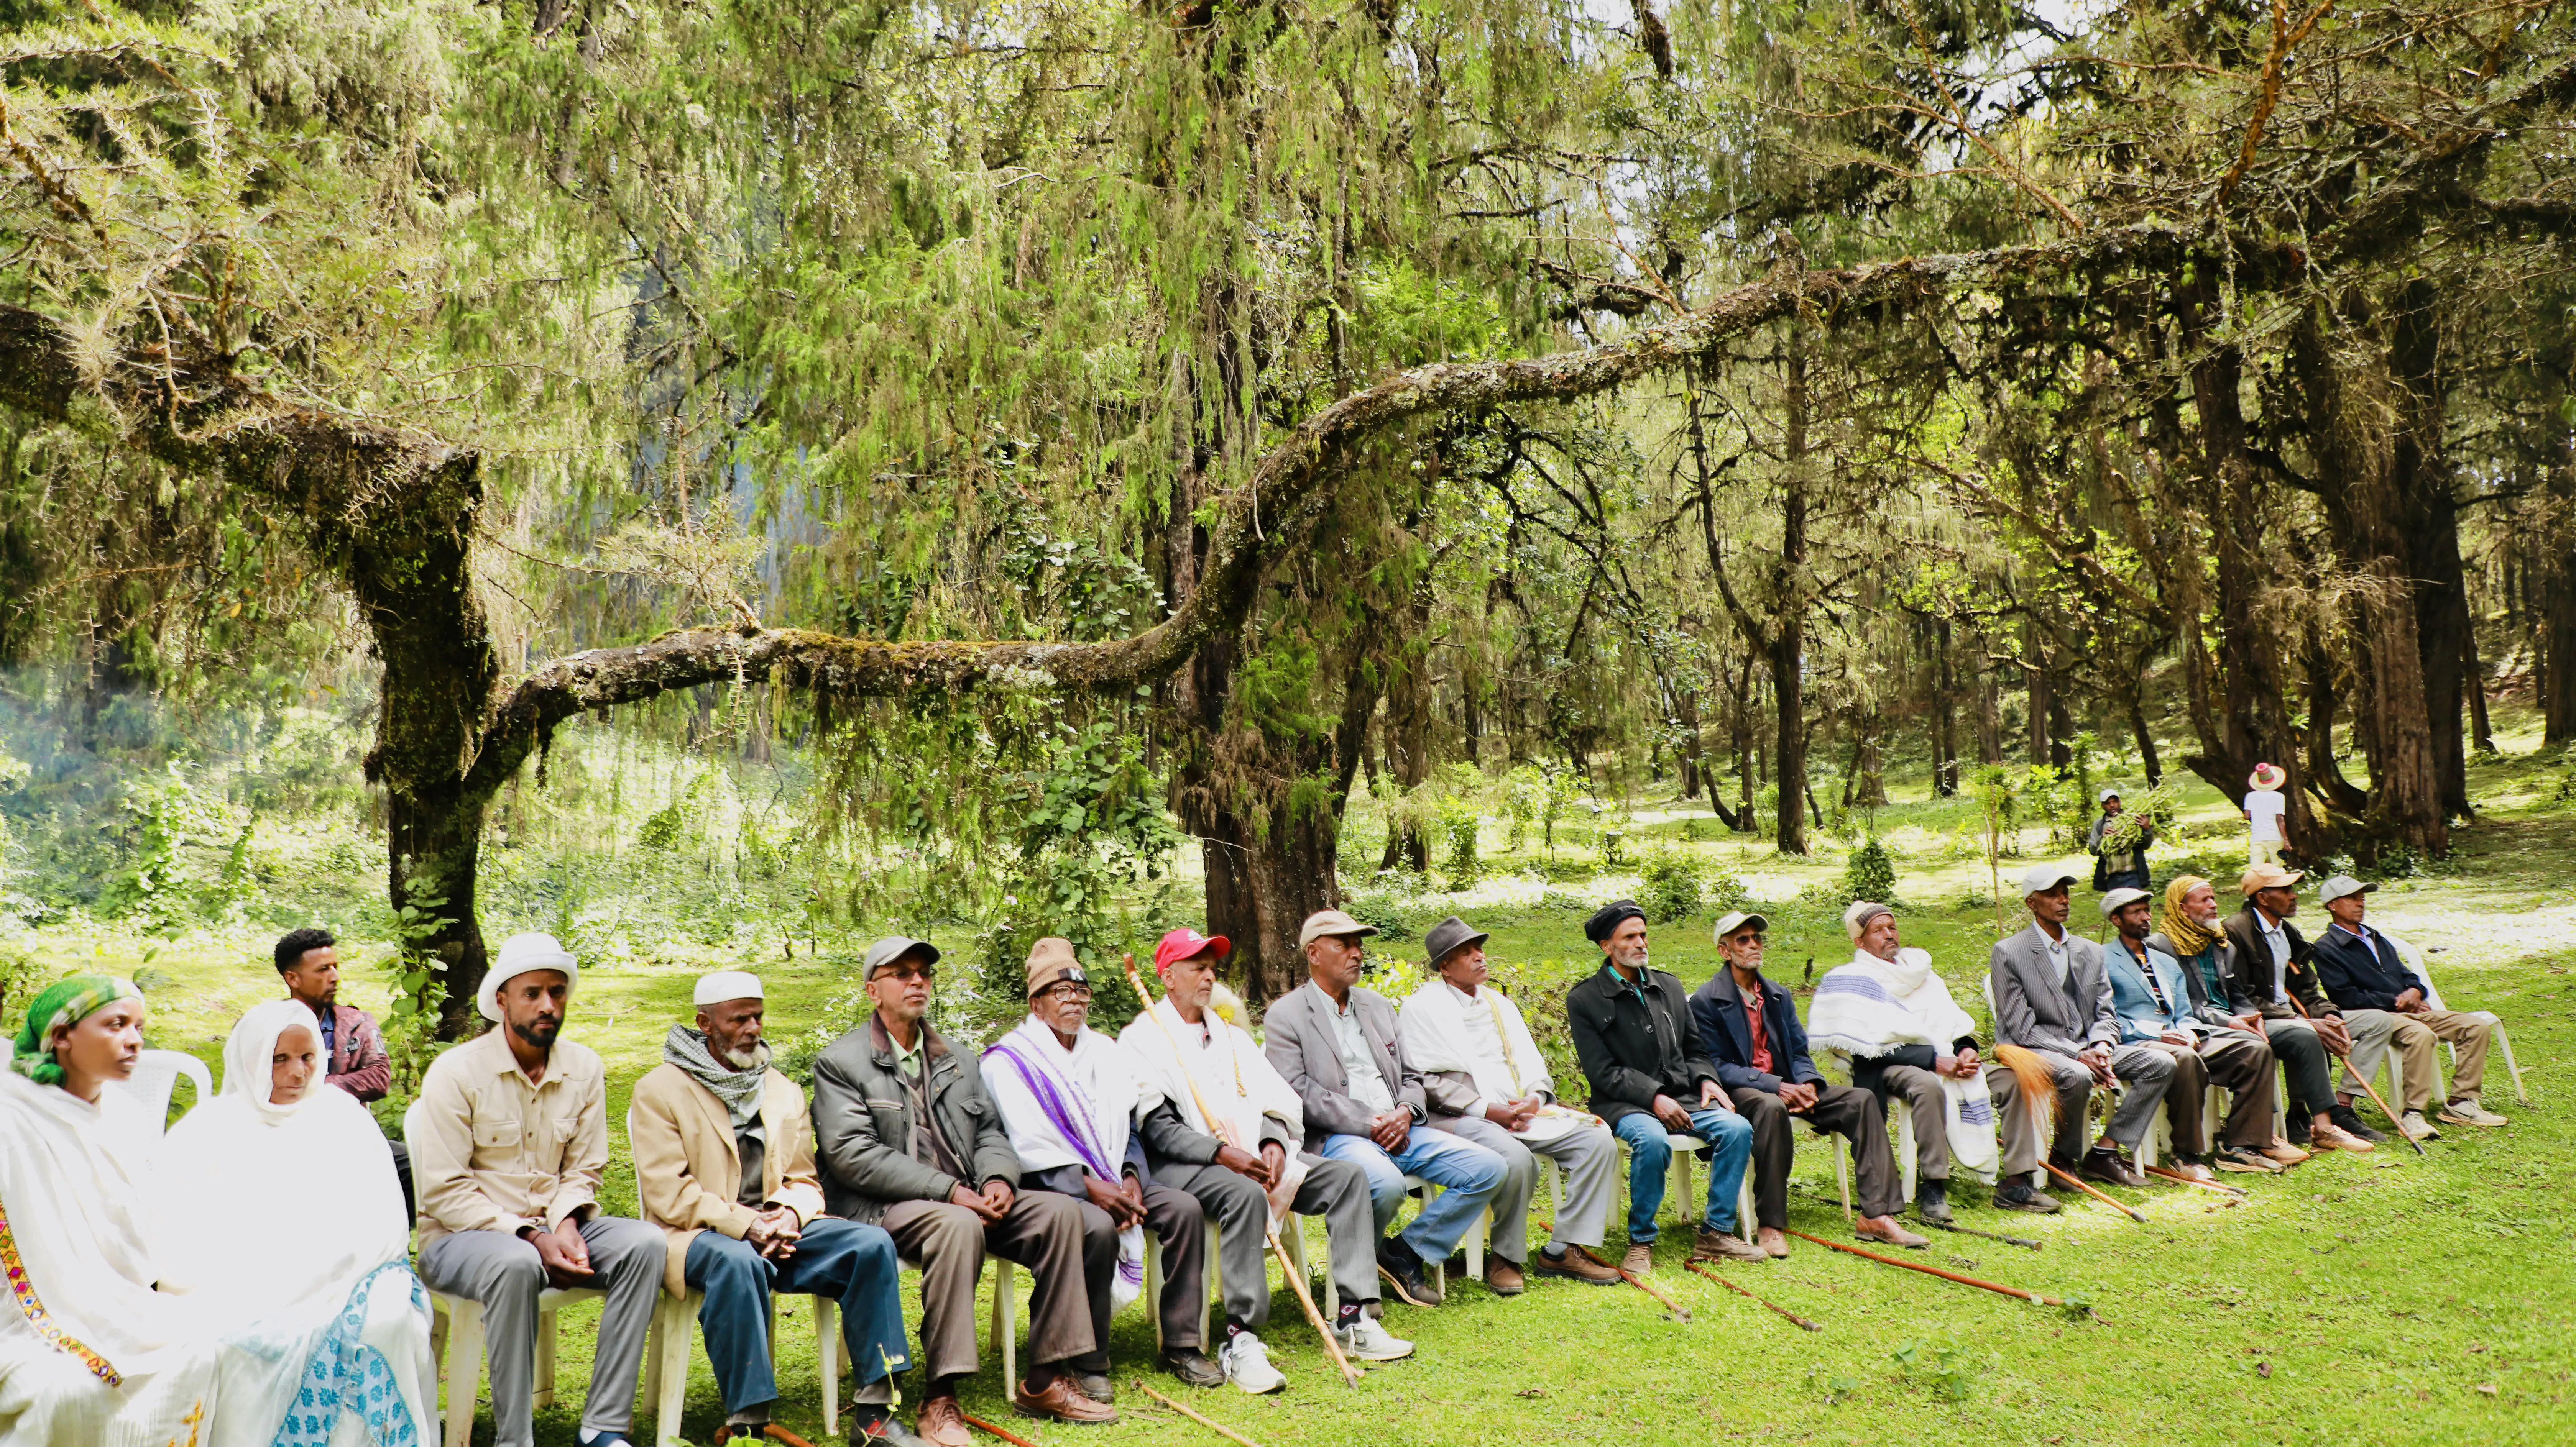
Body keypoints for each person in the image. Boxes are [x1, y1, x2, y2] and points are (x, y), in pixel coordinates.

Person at [809, 935, 1116, 1442]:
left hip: (970, 1198)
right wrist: (950, 1191)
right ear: (872, 991)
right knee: (956, 1225)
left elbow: (992, 1132)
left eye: (924, 974)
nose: (917, 982)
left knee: (1063, 1213)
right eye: (902, 973)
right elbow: (853, 1157)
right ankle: (940, 1396)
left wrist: (997, 1178)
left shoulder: (957, 1057)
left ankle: (1044, 1378)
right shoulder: (842, 1063)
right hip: (885, 1208)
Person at [629, 971, 918, 1445]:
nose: (752, 1028)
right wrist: (747, 1225)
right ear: (705, 1022)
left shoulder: (780, 1088)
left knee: (869, 1243)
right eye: (738, 1019)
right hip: (699, 1234)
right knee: (737, 1259)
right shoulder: (659, 1090)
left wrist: (788, 1214)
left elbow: (804, 1177)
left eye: (757, 1016)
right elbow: (669, 1194)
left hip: (779, 1231)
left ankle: (876, 1414)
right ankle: (748, 1421)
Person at [1123, 927, 1409, 1391]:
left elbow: (1276, 1097)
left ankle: (1354, 1316)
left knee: (1347, 1178)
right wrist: (1222, 1153)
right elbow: (1158, 1128)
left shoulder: (1230, 1035)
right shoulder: (1143, 1038)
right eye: (1198, 966)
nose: (1209, 975)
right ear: (1169, 976)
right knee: (1241, 1194)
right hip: (1186, 1165)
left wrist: (1272, 1140)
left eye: (1212, 966)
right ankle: (1241, 1339)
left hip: (1248, 1154)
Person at [412, 932, 666, 1447]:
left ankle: (603, 1428)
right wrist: (530, 1235)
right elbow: (445, 1191)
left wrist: (566, 1224)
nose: (548, 1006)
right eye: (533, 994)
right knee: (516, 1262)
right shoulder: (458, 1073)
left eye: (557, 992)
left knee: (646, 1244)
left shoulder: (584, 1067)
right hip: (462, 1240)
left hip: (554, 1226)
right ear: (502, 999)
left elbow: (585, 1169)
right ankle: (516, 1439)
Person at [149, 998, 437, 1447]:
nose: (298, 1073)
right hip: (237, 1282)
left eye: (307, 1057)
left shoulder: (344, 1118)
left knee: (382, 1323)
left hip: (346, 1276)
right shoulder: (208, 1130)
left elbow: (380, 1222)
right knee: (227, 1341)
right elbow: (177, 1232)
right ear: (250, 1059)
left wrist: (322, 1273)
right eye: (279, 1058)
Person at [985, 939, 1224, 1392]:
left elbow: (1130, 1126)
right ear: (1037, 1003)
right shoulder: (1010, 1062)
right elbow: (1021, 1147)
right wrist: (1088, 1186)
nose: (1075, 1000)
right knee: (1094, 1223)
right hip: (1053, 1188)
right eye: (1061, 992)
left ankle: (1182, 1343)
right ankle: (1088, 1358)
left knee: (1183, 1208)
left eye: (1082, 991)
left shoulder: (1106, 1051)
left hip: (1116, 1176)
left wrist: (1132, 1177)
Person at [0, 976, 218, 1445]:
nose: (135, 1039)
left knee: (204, 1348)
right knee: (69, 1391)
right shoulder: (11, 1118)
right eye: (117, 1024)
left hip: (121, 1299)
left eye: (139, 1025)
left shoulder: (125, 1116)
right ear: (61, 1035)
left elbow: (139, 1230)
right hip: (22, 1317)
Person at [1264, 910, 1510, 1309]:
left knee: (1489, 1167)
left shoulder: (1377, 1006)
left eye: (1359, 944)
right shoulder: (1286, 1015)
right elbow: (1297, 1091)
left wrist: (1406, 1110)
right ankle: (1358, 1277)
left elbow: (1413, 1075)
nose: (1357, 953)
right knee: (1387, 1183)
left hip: (1401, 1126)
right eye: (1343, 944)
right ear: (1313, 953)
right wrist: (1368, 1121)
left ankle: (1405, 1251)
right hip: (1340, 1134)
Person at [1398, 916, 1623, 1286]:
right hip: (1461, 1117)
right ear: (1445, 967)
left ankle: (1562, 1250)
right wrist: (1489, 1110)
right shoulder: (1421, 1008)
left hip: (1519, 1110)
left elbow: (1530, 1062)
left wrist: (1534, 1099)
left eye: (1479, 949)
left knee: (1597, 1140)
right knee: (1516, 1159)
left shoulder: (1498, 1003)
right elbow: (1424, 1080)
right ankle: (1506, 1257)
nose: (1479, 958)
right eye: (1466, 953)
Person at [1689, 909, 1926, 1252]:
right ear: (1725, 951)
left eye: (1757, 938)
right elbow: (1716, 1065)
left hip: (1790, 1085)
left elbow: (1800, 1052)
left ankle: (1877, 1215)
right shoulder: (1707, 1000)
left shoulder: (1777, 995)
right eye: (1743, 940)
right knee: (1770, 1107)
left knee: (1860, 1100)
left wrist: (1809, 1084)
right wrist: (1776, 1086)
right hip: (1743, 1090)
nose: (1754, 945)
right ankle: (1770, 1224)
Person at [1564, 901, 1761, 1270]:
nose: (1641, 943)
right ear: (1607, 946)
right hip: (1623, 1103)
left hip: (1685, 1097)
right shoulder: (1585, 999)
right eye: (1630, 937)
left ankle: (1716, 1233)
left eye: (1643, 935)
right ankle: (1641, 1241)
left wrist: (1706, 1081)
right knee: (1651, 1140)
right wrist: (1654, 1097)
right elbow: (1601, 1071)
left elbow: (1695, 1049)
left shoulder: (1668, 986)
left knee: (1737, 1128)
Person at [1986, 866, 2175, 1209]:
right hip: (2035, 1048)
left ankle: (2105, 1150)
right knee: (2078, 1073)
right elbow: (2020, 1027)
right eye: (2052, 894)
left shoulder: (2089, 951)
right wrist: (2079, 1053)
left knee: (2161, 1062)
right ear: (2032, 903)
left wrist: (2102, 1045)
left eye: (2066, 892)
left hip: (2088, 1048)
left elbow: (2106, 1012)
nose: (2063, 900)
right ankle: (2062, 1157)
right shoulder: (2009, 952)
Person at [1805, 902, 2000, 1223]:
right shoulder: (1851, 979)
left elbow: (1950, 1021)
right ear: (1860, 942)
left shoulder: (1922, 972)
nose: (1888, 935)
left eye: (1892, 928)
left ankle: (2021, 1179)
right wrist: (1935, 1062)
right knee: (1927, 1086)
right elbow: (1865, 1046)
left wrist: (1966, 1048)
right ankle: (1934, 1187)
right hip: (1889, 1064)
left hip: (1946, 1057)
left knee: (2010, 1079)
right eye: (1878, 931)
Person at [2096, 888, 2282, 1178]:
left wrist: (2188, 1030)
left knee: (2255, 1050)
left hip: (2179, 1038)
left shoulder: (2165, 962)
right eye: (2136, 912)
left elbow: (2184, 1012)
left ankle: (2239, 1145)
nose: (2146, 917)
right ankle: (2186, 1154)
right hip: (2137, 1041)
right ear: (2116, 920)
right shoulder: (2101, 960)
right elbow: (2104, 1018)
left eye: (2147, 910)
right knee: (2185, 1058)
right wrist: (2159, 1033)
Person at [2309, 876, 2511, 1138]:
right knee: (2421, 1035)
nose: (2361, 903)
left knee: (2475, 1027)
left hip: (2410, 1010)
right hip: (2378, 1016)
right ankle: (2413, 1114)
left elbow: (2406, 975)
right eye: (2352, 898)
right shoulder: (2326, 948)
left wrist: (2416, 991)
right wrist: (2394, 1001)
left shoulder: (2375, 937)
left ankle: (2462, 1103)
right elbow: (2345, 996)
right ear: (2333, 905)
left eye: (2362, 897)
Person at [2146, 875, 2317, 1168]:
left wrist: (2254, 1017)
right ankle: (2252, 1138)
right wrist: (2232, 1022)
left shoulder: (2220, 944)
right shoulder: (2162, 947)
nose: (2214, 905)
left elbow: (2238, 994)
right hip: (2191, 1027)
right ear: (2183, 908)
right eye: (2205, 900)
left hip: (2227, 1026)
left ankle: (2245, 1140)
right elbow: (2185, 1005)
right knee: (2254, 1046)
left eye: (2214, 898)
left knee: (2261, 1043)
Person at [2221, 866, 2387, 1150]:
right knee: (2306, 1034)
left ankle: (2329, 1111)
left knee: (2370, 1023)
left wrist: (2328, 1014)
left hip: (2292, 1014)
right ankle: (2324, 1124)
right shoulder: (2235, 931)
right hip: (2256, 1020)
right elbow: (2242, 996)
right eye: (2285, 891)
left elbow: (2305, 988)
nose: (2294, 896)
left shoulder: (2287, 931)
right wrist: (2303, 1020)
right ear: (2263, 898)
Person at [274, 925, 413, 1221]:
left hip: (351, 1136)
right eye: (324, 970)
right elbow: (253, 1082)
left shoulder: (357, 1022)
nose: (335, 977)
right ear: (293, 978)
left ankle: (390, 1241)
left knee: (413, 1162)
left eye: (336, 967)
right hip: (280, 1136)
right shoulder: (265, 1027)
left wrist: (318, 1087)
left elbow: (379, 1077)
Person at [2085, 789, 2152, 893]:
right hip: (2112, 876)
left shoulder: (2132, 820)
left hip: (2133, 874)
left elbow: (2146, 845)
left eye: (2115, 802)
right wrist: (2103, 839)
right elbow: (2093, 850)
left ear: (2120, 802)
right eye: (2108, 803)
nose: (2112, 806)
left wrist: (2147, 829)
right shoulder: (2100, 824)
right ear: (2103, 806)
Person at [2243, 764, 2290, 868]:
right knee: (2277, 868)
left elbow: (2247, 816)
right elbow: (2280, 818)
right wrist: (2286, 839)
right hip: (2274, 836)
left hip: (2257, 837)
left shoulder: (2250, 796)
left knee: (2256, 869)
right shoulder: (2279, 797)